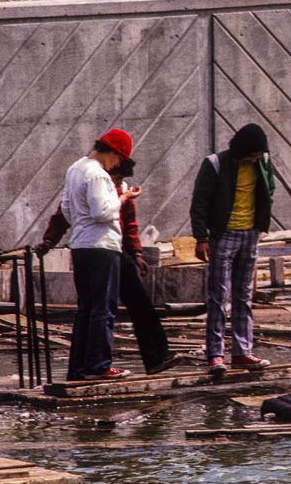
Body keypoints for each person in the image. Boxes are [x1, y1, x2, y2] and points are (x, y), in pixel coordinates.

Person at [36, 157, 183, 376]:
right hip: (101, 250)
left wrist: (137, 253)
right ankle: (91, 366)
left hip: (116, 251)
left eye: (120, 178)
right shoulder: (96, 184)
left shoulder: (120, 189)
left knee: (137, 304)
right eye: (116, 176)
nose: (118, 180)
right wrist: (49, 241)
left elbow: (130, 224)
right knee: (98, 308)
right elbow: (63, 215)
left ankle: (155, 358)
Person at [189, 123, 276, 376]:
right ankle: (215, 354)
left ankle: (241, 351)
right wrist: (201, 237)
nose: (254, 160)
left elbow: (269, 189)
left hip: (251, 234)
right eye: (251, 155)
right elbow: (200, 203)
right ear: (241, 151)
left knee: (244, 295)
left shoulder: (264, 161)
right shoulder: (215, 164)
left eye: (257, 156)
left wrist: (260, 222)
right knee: (218, 296)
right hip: (223, 234)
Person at [59, 128, 141, 381]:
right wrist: (124, 196)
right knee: (104, 309)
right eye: (118, 159)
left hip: (81, 246)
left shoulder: (75, 169)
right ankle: (99, 365)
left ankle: (78, 368)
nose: (117, 164)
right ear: (112, 153)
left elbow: (65, 208)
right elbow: (102, 213)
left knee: (86, 309)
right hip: (102, 247)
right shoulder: (98, 175)